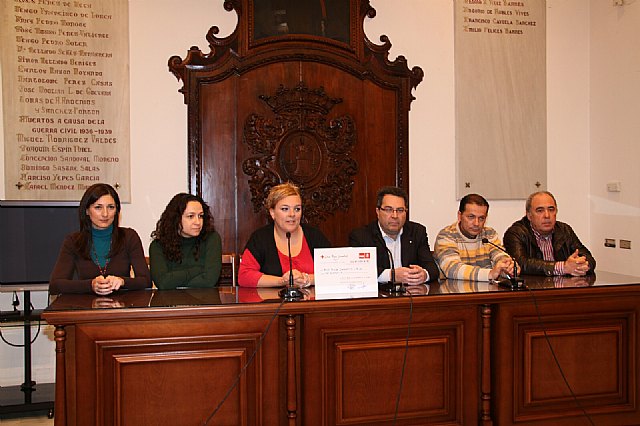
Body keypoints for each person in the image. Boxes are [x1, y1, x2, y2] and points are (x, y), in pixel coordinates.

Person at [49, 183, 151, 295]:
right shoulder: (73, 241)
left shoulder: (129, 236)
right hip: (86, 308)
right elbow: (55, 285)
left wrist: (122, 281)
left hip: (121, 306)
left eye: (111, 207)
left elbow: (146, 281)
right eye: (98, 207)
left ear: (117, 211)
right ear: (87, 211)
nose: (105, 214)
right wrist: (90, 285)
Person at [238, 182, 331, 288]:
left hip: (313, 302)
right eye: (285, 209)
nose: (292, 214)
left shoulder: (315, 236)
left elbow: (335, 273)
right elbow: (244, 276)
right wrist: (282, 281)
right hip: (274, 303)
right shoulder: (260, 238)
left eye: (297, 209)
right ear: (272, 213)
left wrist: (307, 279)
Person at [349, 186, 439, 285]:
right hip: (378, 297)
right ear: (378, 212)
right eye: (388, 210)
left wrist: (423, 275)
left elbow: (432, 268)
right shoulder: (361, 236)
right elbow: (359, 272)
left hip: (410, 295)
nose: (395, 216)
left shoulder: (417, 232)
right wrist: (392, 275)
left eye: (400, 210)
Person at [503, 191, 596, 276]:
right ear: (529, 215)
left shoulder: (564, 230)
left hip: (563, 288)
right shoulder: (516, 233)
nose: (547, 215)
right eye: (540, 210)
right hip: (532, 290)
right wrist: (563, 267)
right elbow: (521, 263)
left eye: (551, 209)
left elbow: (588, 257)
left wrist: (582, 265)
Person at [434, 194, 515, 281]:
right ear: (459, 216)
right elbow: (452, 269)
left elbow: (500, 257)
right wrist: (490, 274)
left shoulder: (489, 234)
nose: (476, 223)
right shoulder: (446, 236)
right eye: (471, 217)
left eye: (481, 218)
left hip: (486, 291)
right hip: (455, 292)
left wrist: (508, 267)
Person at [149, 193, 222, 289]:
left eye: (200, 216)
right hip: (170, 302)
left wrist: (175, 281)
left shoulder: (211, 239)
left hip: (205, 301)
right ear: (176, 219)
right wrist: (198, 270)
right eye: (191, 216)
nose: (198, 222)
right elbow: (163, 283)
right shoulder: (157, 246)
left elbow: (209, 281)